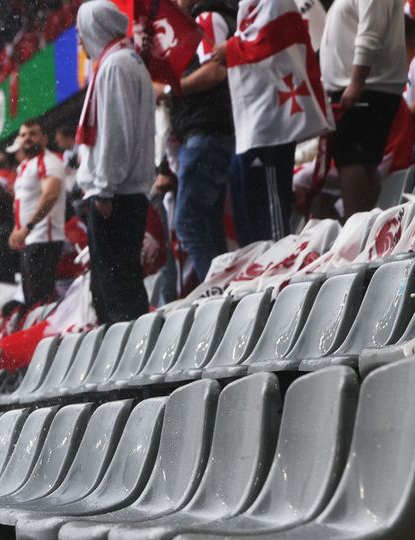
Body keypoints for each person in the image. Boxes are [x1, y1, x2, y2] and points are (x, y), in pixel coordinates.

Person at [211, 0, 333, 243]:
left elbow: (267, 40)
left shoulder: (274, 1)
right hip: (258, 118)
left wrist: (230, 48)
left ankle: (279, 260)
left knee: (271, 203)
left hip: (272, 121)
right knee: (252, 203)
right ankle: (263, 262)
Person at [75, 0, 157, 323]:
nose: (80, 41)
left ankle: (133, 365)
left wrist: (104, 188)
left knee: (117, 290)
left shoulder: (116, 66)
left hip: (116, 195)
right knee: (116, 285)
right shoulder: (124, 61)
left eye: (82, 32)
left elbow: (115, 134)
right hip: (122, 192)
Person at [171, 0, 238, 283]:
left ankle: (216, 293)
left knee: (188, 222)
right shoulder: (205, 19)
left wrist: (172, 88)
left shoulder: (206, 18)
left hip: (206, 132)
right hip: (207, 132)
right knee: (207, 223)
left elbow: (215, 71)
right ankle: (224, 297)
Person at [320, 0, 407, 217]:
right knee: (360, 159)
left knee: (352, 159)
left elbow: (371, 31)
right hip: (362, 85)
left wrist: (356, 82)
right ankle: (366, 232)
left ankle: (358, 229)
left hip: (366, 86)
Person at [8, 121, 68, 307]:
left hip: (44, 240)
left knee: (41, 302)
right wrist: (17, 229)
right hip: (31, 240)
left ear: (44, 138)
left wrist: (27, 227)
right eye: (23, 134)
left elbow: (50, 195)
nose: (27, 138)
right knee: (33, 301)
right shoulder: (26, 165)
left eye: (33, 134)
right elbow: (24, 202)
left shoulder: (48, 162)